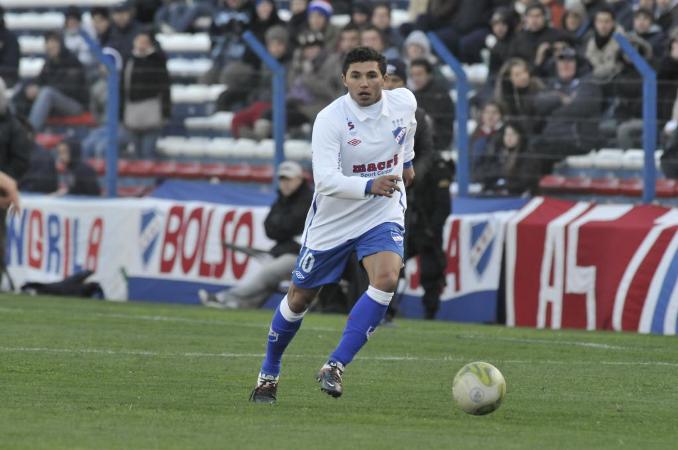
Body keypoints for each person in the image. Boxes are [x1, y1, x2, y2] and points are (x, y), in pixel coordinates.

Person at [249, 47, 417, 404]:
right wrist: (370, 184)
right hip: (334, 219)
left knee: (387, 277)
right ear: (344, 80)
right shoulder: (330, 119)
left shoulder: (403, 103)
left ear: (384, 80)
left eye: (372, 75)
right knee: (299, 298)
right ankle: (268, 373)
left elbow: (408, 132)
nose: (364, 83)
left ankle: (335, 365)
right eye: (356, 76)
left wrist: (409, 162)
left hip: (381, 211)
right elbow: (324, 180)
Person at [383, 59, 453, 321]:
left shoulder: (416, 116)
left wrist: (411, 179)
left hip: (419, 202)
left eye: (395, 81)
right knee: (388, 258)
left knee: (432, 257)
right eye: (386, 80)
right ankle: (384, 309)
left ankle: (430, 311)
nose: (389, 86)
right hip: (393, 202)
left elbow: (426, 152)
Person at [198, 161, 313, 309]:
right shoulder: (282, 199)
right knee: (267, 275)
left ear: (299, 179)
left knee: (269, 272)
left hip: (302, 255)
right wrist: (282, 227)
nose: (285, 183)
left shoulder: (307, 199)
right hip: (285, 250)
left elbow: (289, 225)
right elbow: (269, 228)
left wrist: (281, 226)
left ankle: (225, 297)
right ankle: (238, 304)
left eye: (288, 179)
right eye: (282, 179)